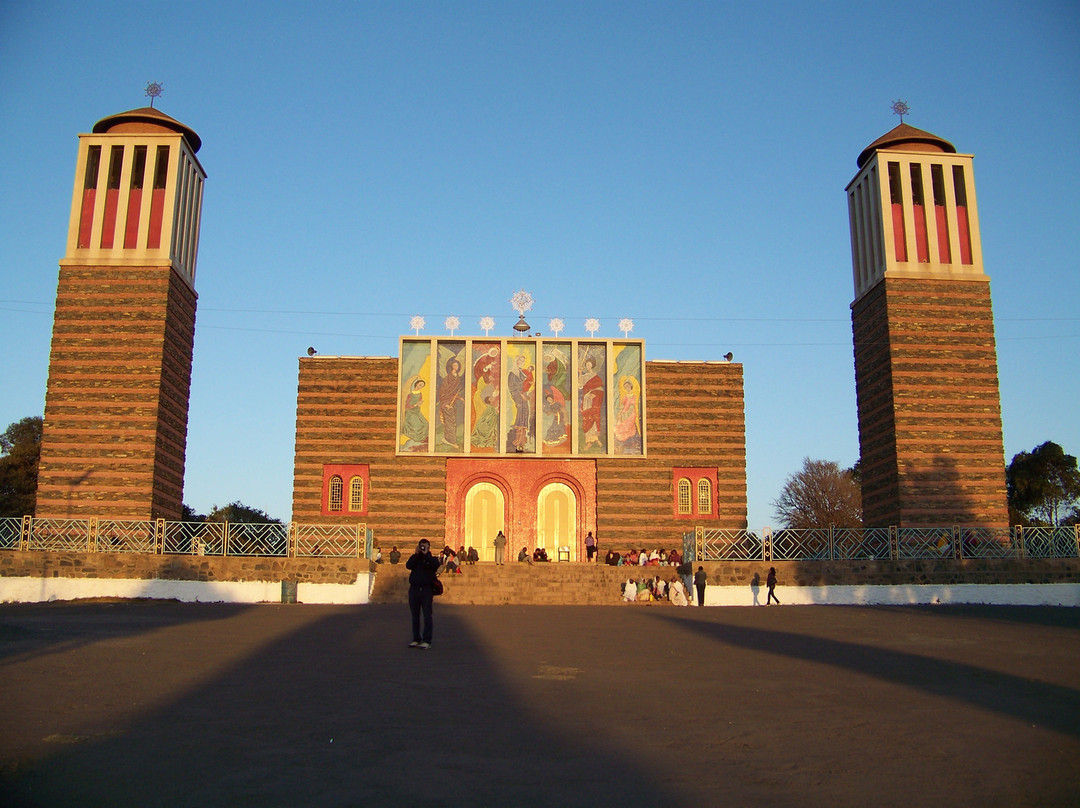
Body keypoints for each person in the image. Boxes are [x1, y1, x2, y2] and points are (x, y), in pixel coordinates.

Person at [406, 539, 441, 649]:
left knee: (427, 615)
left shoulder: (432, 559)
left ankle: (427, 640)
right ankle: (416, 639)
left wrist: (426, 555)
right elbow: (408, 565)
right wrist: (417, 554)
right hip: (414, 589)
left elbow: (436, 566)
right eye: (421, 546)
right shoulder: (415, 558)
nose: (423, 548)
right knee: (415, 616)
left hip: (426, 590)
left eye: (425, 546)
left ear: (429, 547)